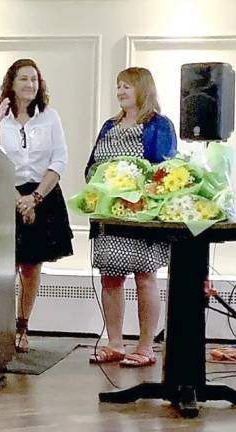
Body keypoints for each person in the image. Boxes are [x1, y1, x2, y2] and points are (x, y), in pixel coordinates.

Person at [85, 67, 177, 367]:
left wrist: (135, 189)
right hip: (109, 215)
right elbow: (91, 165)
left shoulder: (159, 125)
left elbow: (164, 170)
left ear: (142, 89)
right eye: (118, 87)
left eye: (126, 86)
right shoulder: (109, 125)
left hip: (142, 215)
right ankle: (114, 343)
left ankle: (146, 346)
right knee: (110, 278)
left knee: (144, 279)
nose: (120, 92)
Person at [0, 59, 73, 353]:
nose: (30, 85)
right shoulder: (1, 116)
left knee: (31, 264)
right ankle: (3, 328)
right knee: (4, 265)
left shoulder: (50, 117)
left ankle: (23, 326)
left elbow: (59, 160)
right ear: (11, 83)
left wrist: (34, 198)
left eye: (35, 80)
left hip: (43, 194)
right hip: (6, 192)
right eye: (24, 79)